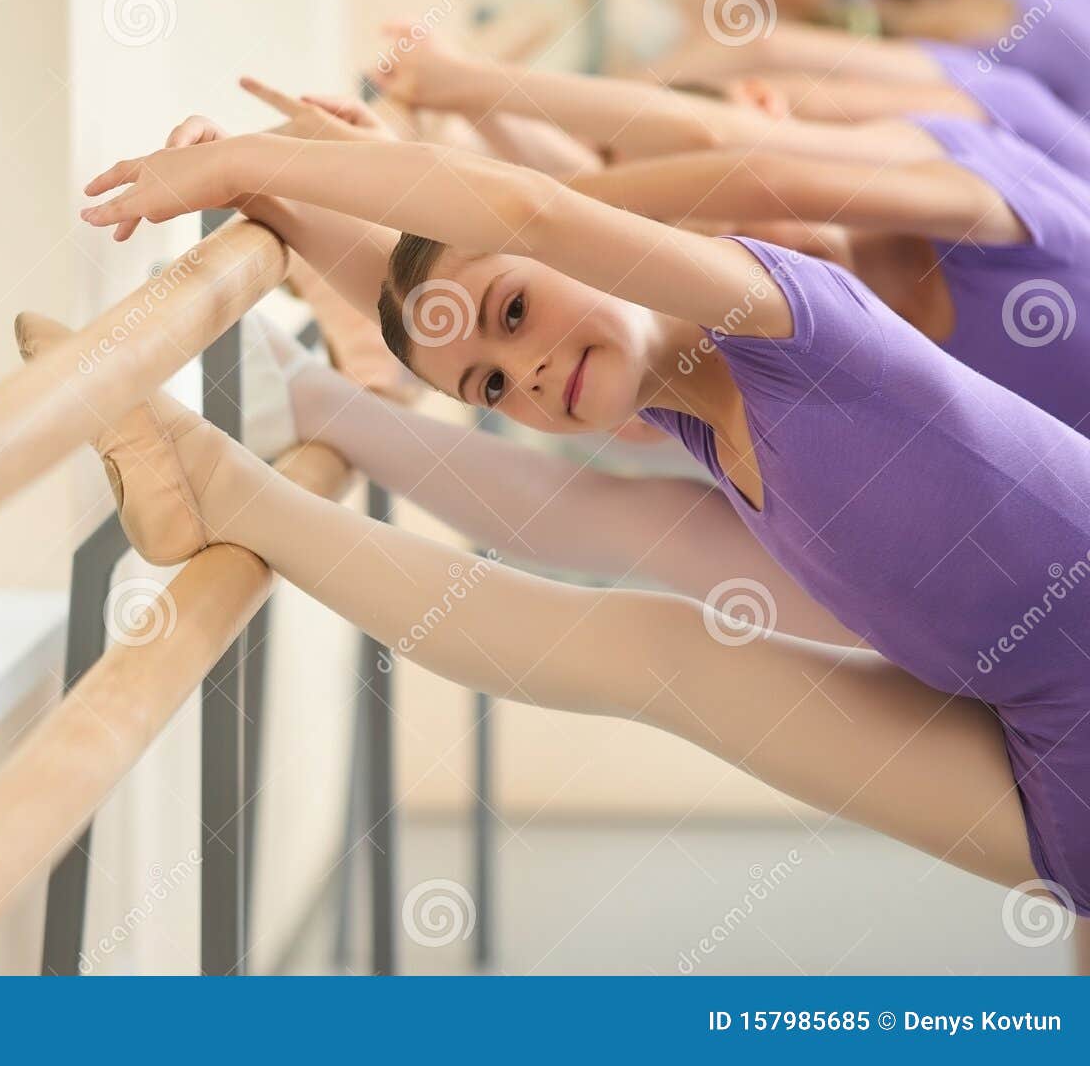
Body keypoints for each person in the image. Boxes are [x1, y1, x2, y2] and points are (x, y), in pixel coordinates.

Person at [62, 111, 1090, 920]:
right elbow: (453, 304)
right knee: (645, 646)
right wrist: (271, 206)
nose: (530, 371)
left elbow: (529, 219)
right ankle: (224, 485)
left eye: (517, 318)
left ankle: (237, 468)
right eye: (494, 389)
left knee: (644, 637)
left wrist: (250, 158)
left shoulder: (777, 318)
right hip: (1042, 736)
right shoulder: (676, 404)